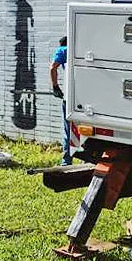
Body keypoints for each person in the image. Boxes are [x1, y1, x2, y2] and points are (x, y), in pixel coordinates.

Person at [49, 35, 72, 166]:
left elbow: (52, 67)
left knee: (68, 130)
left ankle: (66, 162)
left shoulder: (63, 50)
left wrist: (55, 87)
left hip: (70, 97)